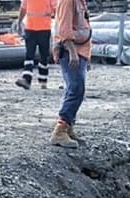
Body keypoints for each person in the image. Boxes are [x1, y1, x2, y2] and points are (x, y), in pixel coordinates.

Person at [51, 0, 91, 148]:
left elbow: (83, 26)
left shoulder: (80, 1)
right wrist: (72, 52)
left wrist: (87, 56)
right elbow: (64, 28)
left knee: (74, 89)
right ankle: (60, 131)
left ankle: (68, 128)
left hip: (80, 51)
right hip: (70, 51)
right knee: (75, 89)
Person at [15, 0, 55, 89]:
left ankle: (41, 80)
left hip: (38, 28)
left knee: (41, 56)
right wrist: (19, 22)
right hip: (37, 28)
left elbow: (23, 8)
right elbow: (23, 8)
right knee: (32, 55)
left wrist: (19, 22)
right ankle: (28, 79)